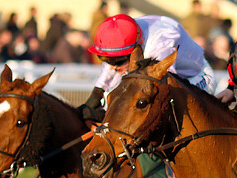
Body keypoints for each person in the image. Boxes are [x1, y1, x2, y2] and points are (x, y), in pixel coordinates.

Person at [79, 13, 215, 122]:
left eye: (118, 61)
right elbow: (111, 66)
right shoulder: (125, 34)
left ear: (135, 48)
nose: (113, 66)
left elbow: (163, 90)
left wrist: (105, 115)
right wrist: (97, 93)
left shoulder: (161, 43)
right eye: (106, 59)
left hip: (195, 78)